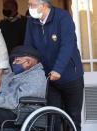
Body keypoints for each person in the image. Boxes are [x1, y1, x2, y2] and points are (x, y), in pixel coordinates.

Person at [24, 0, 84, 131]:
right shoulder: (31, 21)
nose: (29, 8)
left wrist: (58, 69)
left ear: (44, 5)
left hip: (70, 76)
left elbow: (67, 45)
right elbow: (28, 47)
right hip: (49, 78)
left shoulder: (63, 17)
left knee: (72, 118)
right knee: (52, 119)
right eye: (28, 4)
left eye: (32, 5)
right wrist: (26, 62)